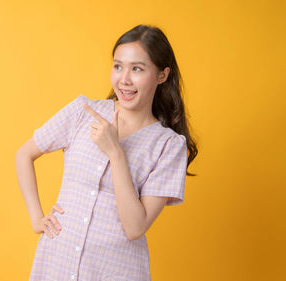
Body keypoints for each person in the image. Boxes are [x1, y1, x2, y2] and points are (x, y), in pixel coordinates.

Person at [15, 24, 198, 281]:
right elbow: (24, 154)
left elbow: (135, 227)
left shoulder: (168, 145)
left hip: (115, 271)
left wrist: (116, 153)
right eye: (118, 66)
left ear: (162, 75)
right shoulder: (82, 111)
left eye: (137, 68)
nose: (124, 79)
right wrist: (36, 218)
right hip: (57, 262)